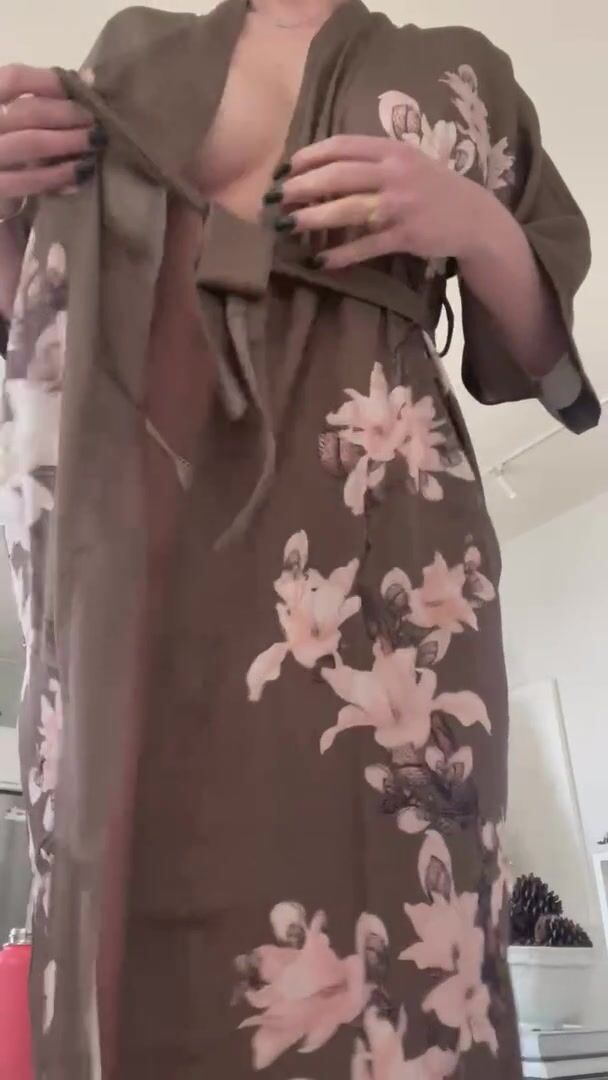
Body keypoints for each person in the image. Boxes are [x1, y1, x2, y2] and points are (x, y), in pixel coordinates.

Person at [0, 1, 600, 1077]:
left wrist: (473, 223)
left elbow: (540, 355)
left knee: (413, 899)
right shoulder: (135, 51)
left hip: (387, 544)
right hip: (149, 530)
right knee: (138, 878)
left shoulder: (460, 68)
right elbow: (44, 317)